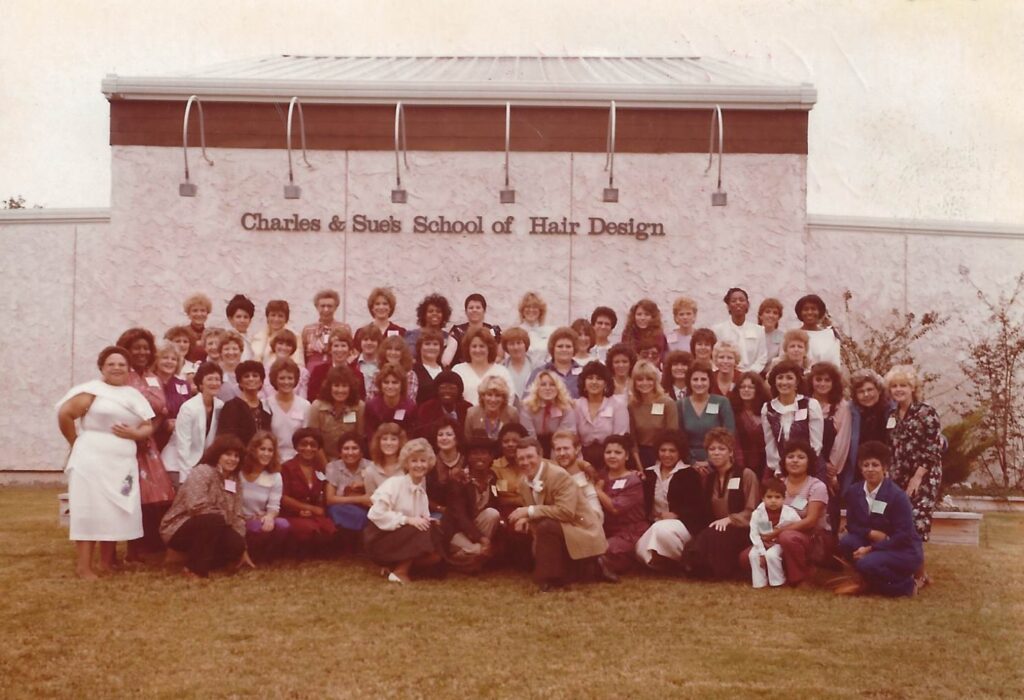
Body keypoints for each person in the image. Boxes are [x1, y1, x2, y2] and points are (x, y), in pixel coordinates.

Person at [57, 346, 156, 578]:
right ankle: (84, 567)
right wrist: (76, 443)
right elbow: (65, 414)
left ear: (129, 368)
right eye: (111, 364)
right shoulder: (91, 391)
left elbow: (148, 425)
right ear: (102, 367)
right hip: (92, 458)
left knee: (114, 510)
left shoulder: (134, 394)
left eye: (121, 364)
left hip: (122, 462)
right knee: (90, 510)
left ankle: (106, 562)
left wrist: (136, 433)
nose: (116, 368)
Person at [507, 437, 611, 591]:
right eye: (521, 458)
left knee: (546, 526)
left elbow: (566, 512)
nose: (525, 462)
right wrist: (526, 518)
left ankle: (548, 579)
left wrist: (529, 511)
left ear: (540, 455)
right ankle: (590, 568)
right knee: (529, 530)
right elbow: (536, 510)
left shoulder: (558, 476)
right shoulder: (523, 482)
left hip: (581, 529)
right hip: (558, 530)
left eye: (530, 457)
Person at [115, 327, 175, 557]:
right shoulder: (121, 375)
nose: (141, 352)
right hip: (125, 439)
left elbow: (162, 410)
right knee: (130, 492)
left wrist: (147, 433)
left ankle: (151, 542)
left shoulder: (153, 376)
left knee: (155, 494)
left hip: (148, 442)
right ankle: (133, 546)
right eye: (136, 348)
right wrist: (133, 434)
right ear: (126, 350)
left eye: (145, 348)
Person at [159, 434, 253, 578]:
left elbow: (238, 514)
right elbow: (196, 506)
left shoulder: (235, 479)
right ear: (217, 455)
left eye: (236, 456)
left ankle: (184, 559)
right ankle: (194, 570)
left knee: (236, 545)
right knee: (213, 520)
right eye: (227, 454)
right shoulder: (202, 471)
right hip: (179, 527)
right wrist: (222, 518)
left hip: (216, 527)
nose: (232, 459)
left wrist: (243, 547)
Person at [838, 441, 924, 597]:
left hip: (900, 548)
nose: (870, 469)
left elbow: (903, 535)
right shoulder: (853, 491)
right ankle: (868, 579)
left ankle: (907, 586)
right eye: (866, 465)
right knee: (846, 542)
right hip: (872, 541)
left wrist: (870, 549)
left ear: (884, 468)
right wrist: (870, 533)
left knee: (866, 562)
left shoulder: (897, 496)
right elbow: (852, 524)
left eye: (875, 465)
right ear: (860, 467)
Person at [885, 364, 942, 589]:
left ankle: (918, 577)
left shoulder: (926, 412)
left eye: (903, 385)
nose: (899, 389)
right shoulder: (891, 415)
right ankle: (920, 573)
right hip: (898, 475)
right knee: (901, 523)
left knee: (916, 523)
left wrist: (917, 478)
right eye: (894, 386)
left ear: (913, 388)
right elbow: (891, 447)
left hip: (923, 476)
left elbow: (933, 448)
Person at [364, 438, 446, 584]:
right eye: (414, 461)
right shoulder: (394, 484)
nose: (419, 465)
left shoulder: (421, 493)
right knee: (424, 529)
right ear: (406, 464)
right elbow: (375, 513)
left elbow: (422, 519)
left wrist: (429, 520)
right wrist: (407, 520)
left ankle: (392, 566)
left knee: (436, 556)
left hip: (404, 540)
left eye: (423, 461)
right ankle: (400, 572)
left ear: (429, 464)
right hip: (379, 539)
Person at [682, 428, 759, 580]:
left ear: (731, 452)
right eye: (712, 449)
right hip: (716, 528)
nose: (716, 452)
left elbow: (754, 510)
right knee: (705, 535)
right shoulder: (709, 479)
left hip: (742, 528)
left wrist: (730, 519)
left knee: (714, 536)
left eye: (721, 449)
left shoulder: (746, 475)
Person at [635, 431, 705, 571]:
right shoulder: (648, 474)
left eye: (672, 451)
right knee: (638, 548)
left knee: (661, 531)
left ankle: (688, 559)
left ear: (680, 452)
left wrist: (677, 514)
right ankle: (666, 563)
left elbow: (699, 508)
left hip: (681, 526)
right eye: (663, 450)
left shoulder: (689, 474)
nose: (667, 454)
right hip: (653, 523)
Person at [770, 440, 832, 587]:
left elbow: (810, 521)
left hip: (812, 537)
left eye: (801, 457)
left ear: (809, 462)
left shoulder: (817, 486)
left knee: (788, 538)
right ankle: (783, 571)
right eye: (790, 456)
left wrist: (778, 532)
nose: (795, 461)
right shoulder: (777, 484)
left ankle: (801, 577)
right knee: (745, 559)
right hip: (779, 533)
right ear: (784, 461)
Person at [443, 435, 502, 573]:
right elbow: (460, 516)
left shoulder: (493, 478)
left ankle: (472, 558)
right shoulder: (459, 481)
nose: (479, 457)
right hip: (457, 531)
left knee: (493, 514)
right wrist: (482, 539)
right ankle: (456, 561)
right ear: (468, 457)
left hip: (478, 526)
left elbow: (497, 502)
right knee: (479, 550)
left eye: (483, 453)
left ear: (491, 456)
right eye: (475, 453)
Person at [161, 362, 224, 487]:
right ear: (201, 384)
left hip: (200, 466)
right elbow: (182, 444)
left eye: (217, 379)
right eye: (210, 379)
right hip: (177, 464)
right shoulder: (189, 408)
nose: (214, 383)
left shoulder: (220, 406)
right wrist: (185, 479)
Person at [762, 360, 824, 479]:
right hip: (780, 469)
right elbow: (770, 444)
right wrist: (779, 469)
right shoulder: (767, 409)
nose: (784, 382)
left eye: (789, 378)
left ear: (797, 383)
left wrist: (802, 466)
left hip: (810, 468)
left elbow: (816, 443)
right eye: (780, 378)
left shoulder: (811, 405)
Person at [594, 434, 647, 575]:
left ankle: (628, 562)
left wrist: (598, 490)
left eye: (618, 452)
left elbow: (615, 508)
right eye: (608, 452)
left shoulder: (633, 480)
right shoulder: (600, 476)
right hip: (606, 530)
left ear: (627, 456)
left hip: (630, 531)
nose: (612, 456)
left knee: (604, 550)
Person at [279, 428, 336, 556]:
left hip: (312, 514)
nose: (308, 448)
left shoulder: (320, 469)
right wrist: (305, 508)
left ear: (318, 448)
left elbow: (322, 495)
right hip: (291, 513)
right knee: (310, 531)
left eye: (313, 445)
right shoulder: (286, 468)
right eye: (304, 444)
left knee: (330, 530)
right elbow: (283, 498)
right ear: (296, 446)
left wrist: (317, 509)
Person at [810, 362, 853, 530]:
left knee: (829, 507)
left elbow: (842, 440)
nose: (822, 384)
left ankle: (829, 549)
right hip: (809, 463)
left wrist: (832, 470)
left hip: (831, 466)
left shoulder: (842, 406)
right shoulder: (805, 403)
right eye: (818, 379)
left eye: (827, 380)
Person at [238, 431, 290, 562]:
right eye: (262, 449)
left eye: (270, 450)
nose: (266, 454)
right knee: (256, 529)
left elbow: (274, 505)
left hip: (259, 518)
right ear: (253, 449)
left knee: (283, 525)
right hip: (238, 519)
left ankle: (265, 556)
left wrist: (269, 517)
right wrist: (243, 517)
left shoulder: (275, 476)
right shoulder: (238, 472)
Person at [677, 360, 735, 468]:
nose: (699, 383)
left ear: (710, 381)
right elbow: (679, 439)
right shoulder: (681, 405)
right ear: (689, 381)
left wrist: (710, 462)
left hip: (718, 461)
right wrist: (692, 462)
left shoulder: (722, 402)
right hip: (688, 463)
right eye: (695, 379)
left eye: (703, 379)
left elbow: (729, 434)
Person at [746, 477, 800, 588]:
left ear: (784, 498)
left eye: (777, 497)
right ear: (762, 498)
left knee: (771, 555)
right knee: (753, 555)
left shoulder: (790, 513)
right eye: (769, 497)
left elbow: (798, 528)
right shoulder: (757, 514)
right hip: (761, 543)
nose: (773, 500)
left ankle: (777, 582)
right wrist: (761, 552)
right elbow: (754, 534)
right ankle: (759, 583)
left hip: (779, 544)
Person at [573, 361, 629, 468]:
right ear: (584, 382)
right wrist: (582, 465)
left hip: (611, 460)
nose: (594, 382)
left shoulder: (618, 405)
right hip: (581, 460)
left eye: (599, 379)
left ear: (606, 383)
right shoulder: (575, 406)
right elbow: (572, 438)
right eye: (590, 378)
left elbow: (621, 439)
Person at [627, 360, 678, 469]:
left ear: (655, 381)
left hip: (664, 455)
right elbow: (633, 440)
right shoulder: (632, 405)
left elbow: (673, 436)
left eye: (649, 379)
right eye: (640, 380)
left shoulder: (667, 403)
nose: (645, 383)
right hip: (640, 457)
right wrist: (639, 466)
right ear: (634, 382)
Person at [324, 431, 374, 542]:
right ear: (340, 452)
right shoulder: (333, 467)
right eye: (346, 448)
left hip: (365, 507)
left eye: (354, 448)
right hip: (340, 507)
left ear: (361, 452)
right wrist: (360, 499)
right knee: (337, 511)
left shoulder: (370, 466)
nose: (350, 453)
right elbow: (330, 499)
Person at [307, 365, 365, 460]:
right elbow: (315, 442)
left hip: (351, 459)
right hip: (324, 461)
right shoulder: (317, 407)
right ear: (329, 387)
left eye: (344, 386)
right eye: (336, 385)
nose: (340, 390)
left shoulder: (359, 407)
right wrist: (327, 467)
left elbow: (360, 439)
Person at [452, 327, 515, 408]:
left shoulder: (502, 371)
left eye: (482, 346)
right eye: (474, 346)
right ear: (468, 348)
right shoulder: (458, 370)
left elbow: (509, 398)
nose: (478, 350)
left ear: (489, 348)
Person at [518, 369, 576, 456]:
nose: (548, 388)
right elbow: (529, 437)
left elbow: (566, 436)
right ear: (537, 388)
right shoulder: (527, 407)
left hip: (559, 448)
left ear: (558, 388)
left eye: (552, 385)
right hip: (534, 445)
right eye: (543, 385)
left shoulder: (566, 407)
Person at [217, 360, 272, 447]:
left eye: (255, 376)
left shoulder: (266, 407)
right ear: (240, 382)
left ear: (261, 381)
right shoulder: (231, 407)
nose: (251, 379)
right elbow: (227, 438)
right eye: (246, 376)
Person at [712, 288, 767, 373]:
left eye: (741, 300)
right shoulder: (718, 330)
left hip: (752, 376)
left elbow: (762, 358)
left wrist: (750, 374)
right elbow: (714, 357)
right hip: (727, 375)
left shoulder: (759, 330)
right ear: (728, 306)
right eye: (734, 301)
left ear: (747, 305)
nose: (738, 303)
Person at [266, 358, 311, 462]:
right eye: (282, 378)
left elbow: (307, 437)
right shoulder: (266, 404)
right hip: (272, 460)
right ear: (274, 380)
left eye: (290, 378)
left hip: (298, 460)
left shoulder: (305, 405)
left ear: (295, 380)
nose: (286, 382)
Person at [729, 371, 771, 480]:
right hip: (740, 462)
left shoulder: (767, 410)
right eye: (742, 387)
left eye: (750, 387)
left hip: (766, 462)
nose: (746, 390)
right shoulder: (732, 413)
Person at [306, 327, 364, 401]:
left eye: (343, 346)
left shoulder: (357, 375)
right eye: (336, 346)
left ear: (349, 349)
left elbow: (360, 400)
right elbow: (312, 397)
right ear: (330, 349)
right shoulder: (318, 371)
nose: (339, 350)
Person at [525, 326, 584, 399]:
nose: (564, 349)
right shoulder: (539, 372)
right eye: (560, 346)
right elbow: (527, 401)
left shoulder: (583, 373)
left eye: (568, 346)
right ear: (553, 348)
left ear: (574, 349)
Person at [153, 343, 191, 450]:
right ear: (156, 360)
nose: (169, 362)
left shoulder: (183, 385)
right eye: (165, 357)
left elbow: (188, 411)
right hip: (154, 437)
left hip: (177, 439)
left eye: (173, 359)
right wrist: (164, 424)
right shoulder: (149, 381)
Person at [364, 363, 418, 438]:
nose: (390, 386)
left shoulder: (410, 406)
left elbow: (411, 435)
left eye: (395, 382)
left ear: (402, 384)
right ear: (380, 384)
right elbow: (370, 435)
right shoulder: (371, 406)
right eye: (386, 382)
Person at [404, 293, 459, 367]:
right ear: (424, 314)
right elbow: (409, 358)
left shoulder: (448, 337)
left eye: (438, 311)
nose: (434, 314)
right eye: (430, 311)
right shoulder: (413, 336)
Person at [415, 370, 472, 440]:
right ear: (436, 390)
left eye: (452, 388)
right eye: (443, 388)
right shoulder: (426, 408)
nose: (447, 391)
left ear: (459, 390)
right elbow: (422, 434)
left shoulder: (467, 408)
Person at [449, 293, 504, 366]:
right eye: (471, 308)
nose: (474, 310)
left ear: (484, 311)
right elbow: (448, 354)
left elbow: (500, 356)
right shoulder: (457, 331)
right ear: (466, 311)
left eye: (478, 307)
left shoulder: (493, 331)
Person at [301, 290, 348, 374]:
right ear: (317, 307)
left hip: (336, 370)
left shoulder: (344, 328)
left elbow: (350, 353)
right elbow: (302, 356)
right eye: (322, 306)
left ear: (336, 307)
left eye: (330, 306)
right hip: (312, 370)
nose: (326, 309)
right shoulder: (308, 330)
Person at [490, 423, 529, 519]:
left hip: (532, 508)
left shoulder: (531, 464)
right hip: (506, 511)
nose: (510, 444)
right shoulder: (495, 468)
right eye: (506, 441)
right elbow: (497, 497)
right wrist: (519, 500)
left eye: (515, 441)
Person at [464, 375, 519, 441]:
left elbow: (517, 440)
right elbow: (467, 441)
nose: (493, 400)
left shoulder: (512, 413)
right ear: (483, 396)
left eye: (498, 395)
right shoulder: (471, 413)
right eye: (489, 395)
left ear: (503, 398)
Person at [252, 299, 304, 368]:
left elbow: (299, 364)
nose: (276, 319)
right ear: (267, 317)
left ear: (286, 319)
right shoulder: (258, 337)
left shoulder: (295, 337)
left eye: (280, 316)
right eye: (273, 315)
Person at [794, 294, 842, 368]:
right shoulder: (793, 336)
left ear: (820, 312)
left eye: (813, 309)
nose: (809, 312)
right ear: (800, 313)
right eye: (805, 309)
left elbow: (835, 364)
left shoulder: (830, 335)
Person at [368, 335, 419, 403]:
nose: (393, 353)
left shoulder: (410, 375)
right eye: (389, 349)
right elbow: (370, 398)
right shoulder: (377, 373)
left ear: (403, 353)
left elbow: (410, 400)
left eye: (397, 350)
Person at [261, 330, 310, 400]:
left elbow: (302, 398)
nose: (284, 348)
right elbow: (261, 397)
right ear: (274, 345)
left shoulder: (303, 372)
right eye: (280, 343)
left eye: (288, 345)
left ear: (293, 348)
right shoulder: (263, 370)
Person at [363, 423, 407, 496]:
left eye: (393, 439)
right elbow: (371, 500)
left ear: (400, 442)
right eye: (384, 439)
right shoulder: (370, 470)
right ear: (378, 442)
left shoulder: (409, 467)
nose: (388, 443)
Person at [518, 291, 555, 365]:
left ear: (540, 311)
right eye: (527, 307)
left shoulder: (550, 332)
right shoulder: (516, 332)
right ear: (522, 311)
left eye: (535, 307)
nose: (531, 310)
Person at [412, 327, 446, 404]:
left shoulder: (446, 371)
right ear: (420, 347)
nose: (431, 347)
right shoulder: (413, 370)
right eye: (427, 344)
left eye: (435, 344)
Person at [500, 327, 535, 399]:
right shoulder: (500, 369)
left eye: (519, 343)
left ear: (526, 344)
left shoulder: (537, 367)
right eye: (511, 344)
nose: (516, 347)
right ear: (506, 347)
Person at [182, 292, 213, 363]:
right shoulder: (183, 333)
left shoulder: (211, 334)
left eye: (202, 310)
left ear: (207, 313)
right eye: (195, 310)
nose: (199, 314)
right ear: (188, 313)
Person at [215, 331, 246, 401]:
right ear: (220, 352)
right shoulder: (215, 371)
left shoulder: (247, 371)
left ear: (241, 351)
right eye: (226, 349)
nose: (231, 352)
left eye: (235, 349)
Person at [225, 294, 256, 361]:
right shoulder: (225, 340)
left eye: (246, 317)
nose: (242, 321)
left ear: (250, 320)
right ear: (230, 319)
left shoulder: (254, 340)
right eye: (238, 317)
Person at [355, 324, 382, 397]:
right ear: (360, 342)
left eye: (373, 340)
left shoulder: (384, 365)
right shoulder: (352, 364)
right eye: (365, 339)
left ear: (378, 342)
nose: (369, 343)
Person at [758, 297, 785, 365]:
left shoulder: (782, 337)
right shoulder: (753, 333)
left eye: (775, 313)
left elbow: (781, 358)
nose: (771, 315)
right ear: (760, 315)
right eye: (767, 312)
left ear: (779, 317)